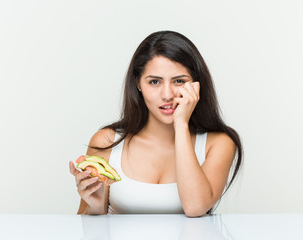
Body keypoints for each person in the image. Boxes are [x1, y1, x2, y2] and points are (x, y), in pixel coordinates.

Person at [69, 30, 243, 217]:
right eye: (154, 82)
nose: (167, 95)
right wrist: (95, 209)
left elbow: (195, 207)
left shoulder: (219, 143)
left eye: (178, 81)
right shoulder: (106, 142)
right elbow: (85, 227)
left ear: (196, 85)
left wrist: (181, 125)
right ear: (138, 84)